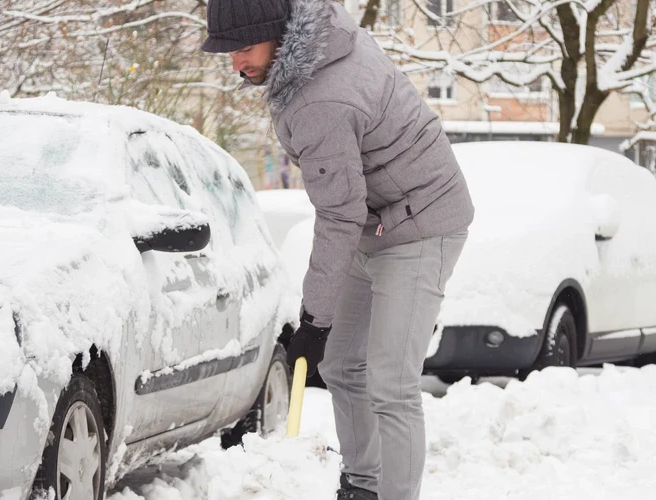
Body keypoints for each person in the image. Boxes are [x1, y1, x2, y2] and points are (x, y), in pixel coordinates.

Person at [200, 0, 475, 499]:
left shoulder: (318, 100)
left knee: (392, 383)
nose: (236, 63)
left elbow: (338, 214)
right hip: (378, 217)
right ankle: (363, 485)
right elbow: (347, 207)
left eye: (242, 48)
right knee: (344, 363)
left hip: (422, 221)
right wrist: (321, 325)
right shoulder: (317, 46)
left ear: (277, 34)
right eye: (228, 51)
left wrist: (314, 319)